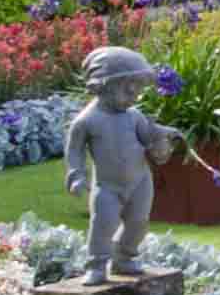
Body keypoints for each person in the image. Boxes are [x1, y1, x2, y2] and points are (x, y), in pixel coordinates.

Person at [59, 44, 181, 279]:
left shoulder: (133, 116)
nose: (134, 97)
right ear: (104, 85)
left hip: (140, 181)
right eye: (128, 91)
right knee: (103, 224)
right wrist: (77, 175)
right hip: (107, 186)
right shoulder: (87, 121)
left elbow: (147, 136)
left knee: (138, 222)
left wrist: (162, 134)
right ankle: (96, 265)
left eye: (137, 92)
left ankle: (124, 257)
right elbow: (74, 151)